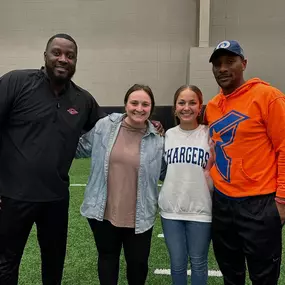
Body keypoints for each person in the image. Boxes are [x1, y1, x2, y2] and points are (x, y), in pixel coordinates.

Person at [206, 40, 285, 285]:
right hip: (223, 202)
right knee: (231, 274)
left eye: (230, 62)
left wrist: (282, 200)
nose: (223, 69)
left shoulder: (267, 96)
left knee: (263, 277)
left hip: (259, 203)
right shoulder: (212, 106)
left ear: (244, 64)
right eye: (217, 64)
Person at [75, 84, 164, 285]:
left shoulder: (158, 139)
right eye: (134, 103)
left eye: (145, 104)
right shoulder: (105, 126)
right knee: (107, 260)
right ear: (125, 104)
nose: (139, 108)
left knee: (138, 265)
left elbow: (167, 172)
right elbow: (79, 148)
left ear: (151, 108)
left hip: (140, 216)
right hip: (104, 212)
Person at [158, 85, 213, 285]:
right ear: (175, 108)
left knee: (199, 263)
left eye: (192, 103)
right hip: (171, 211)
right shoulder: (167, 136)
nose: (186, 107)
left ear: (200, 107)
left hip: (201, 210)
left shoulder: (209, 134)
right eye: (181, 103)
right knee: (177, 264)